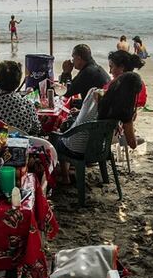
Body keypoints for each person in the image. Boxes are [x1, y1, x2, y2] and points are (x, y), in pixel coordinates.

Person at [55, 50, 143, 181]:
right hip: (100, 149)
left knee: (57, 136)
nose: (110, 71)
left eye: (111, 66)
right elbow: (133, 144)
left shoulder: (96, 93)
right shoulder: (124, 111)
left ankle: (65, 176)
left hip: (76, 148)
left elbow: (69, 94)